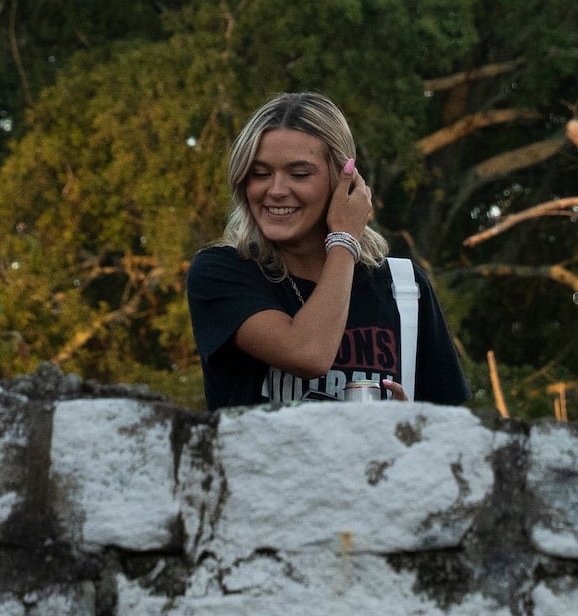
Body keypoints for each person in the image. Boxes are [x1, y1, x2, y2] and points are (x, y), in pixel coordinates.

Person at [184, 92, 469, 408]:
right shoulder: (221, 272)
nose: (276, 190)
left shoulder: (403, 288)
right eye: (260, 173)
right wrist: (345, 239)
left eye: (300, 174)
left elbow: (451, 437)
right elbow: (308, 353)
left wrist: (410, 426)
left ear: (342, 179)